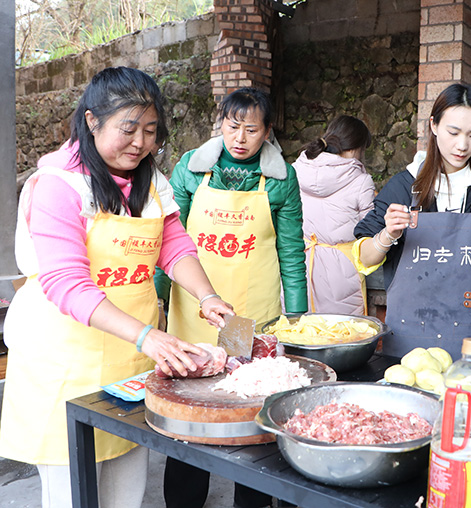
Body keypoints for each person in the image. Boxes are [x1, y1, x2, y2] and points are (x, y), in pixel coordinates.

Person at [0, 67, 232, 508]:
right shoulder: (58, 185)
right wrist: (150, 335)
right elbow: (66, 281)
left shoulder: (150, 179)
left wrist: (207, 296)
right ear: (92, 121)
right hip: (66, 358)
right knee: (74, 492)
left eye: (150, 131)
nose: (141, 143)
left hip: (131, 356)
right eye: (129, 129)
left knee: (126, 485)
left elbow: (173, 244)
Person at [155, 87, 306, 508]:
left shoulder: (280, 178)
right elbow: (169, 241)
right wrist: (158, 300)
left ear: (268, 133)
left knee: (245, 413)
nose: (240, 137)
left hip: (246, 312)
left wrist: (296, 316)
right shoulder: (191, 168)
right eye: (232, 126)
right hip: (194, 309)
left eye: (251, 129)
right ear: (220, 123)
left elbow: (291, 249)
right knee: (190, 411)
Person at [353, 82, 471, 361]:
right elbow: (366, 258)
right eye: (453, 132)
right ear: (433, 125)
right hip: (410, 343)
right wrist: (387, 234)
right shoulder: (404, 187)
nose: (462, 145)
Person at [294, 115, 375, 315]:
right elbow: (369, 229)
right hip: (342, 271)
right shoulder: (361, 181)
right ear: (357, 147)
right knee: (343, 335)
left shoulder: (297, 169)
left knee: (302, 334)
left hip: (299, 265)